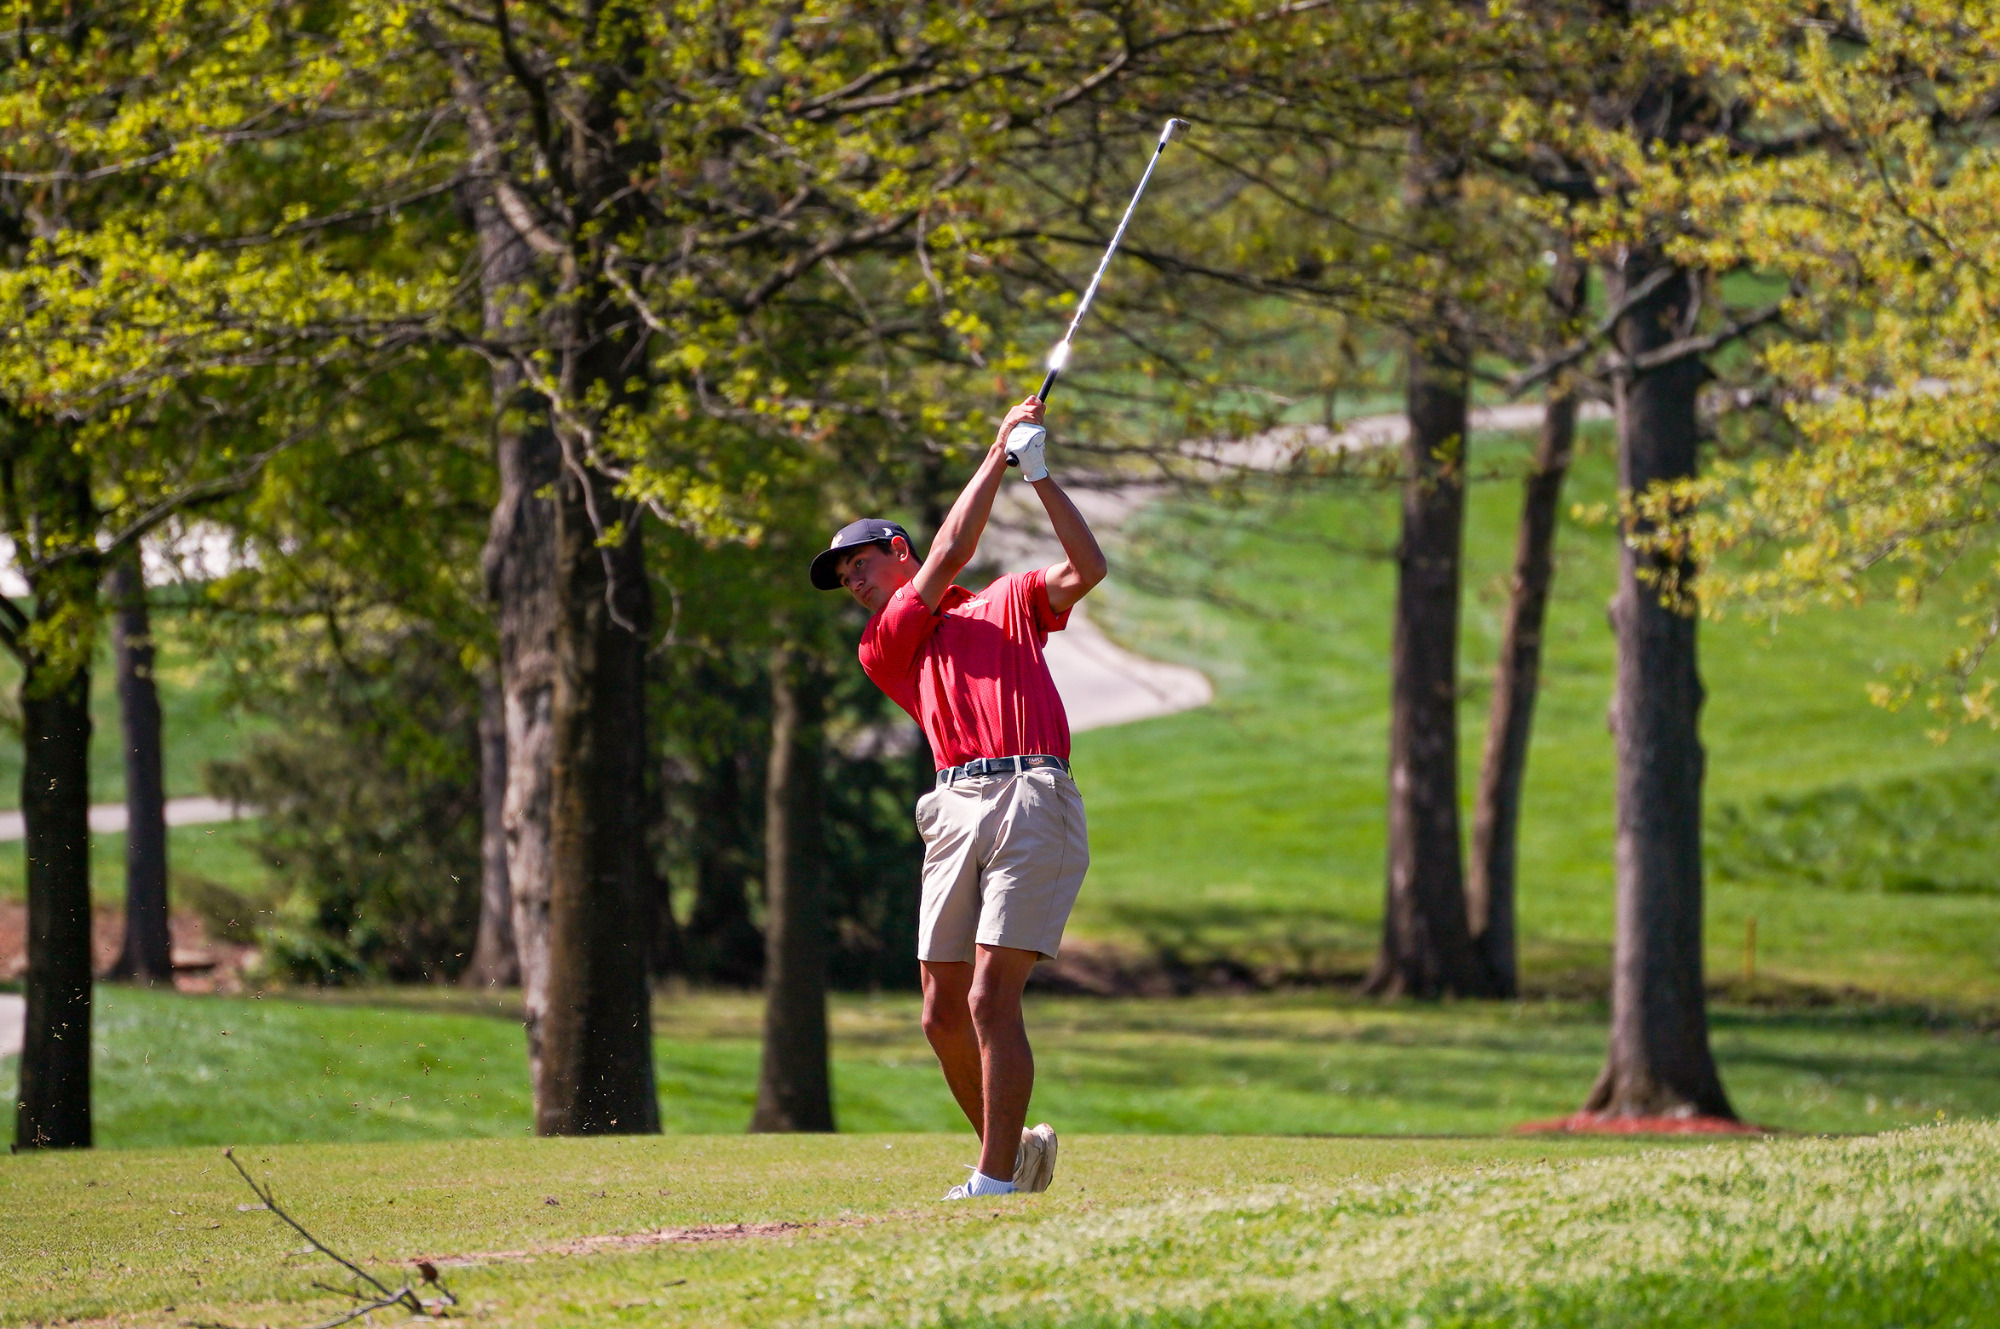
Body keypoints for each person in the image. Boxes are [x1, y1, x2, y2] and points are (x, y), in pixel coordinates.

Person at [809, 395, 1105, 1200]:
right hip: (951, 808)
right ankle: (1013, 1153)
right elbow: (952, 544)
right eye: (844, 580)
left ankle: (995, 1179)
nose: (855, 586)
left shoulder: (1010, 601)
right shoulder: (889, 638)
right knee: (940, 1011)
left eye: (859, 567)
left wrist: (1036, 473)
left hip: (1032, 794)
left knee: (987, 994)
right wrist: (996, 448)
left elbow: (1088, 569)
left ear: (891, 551)